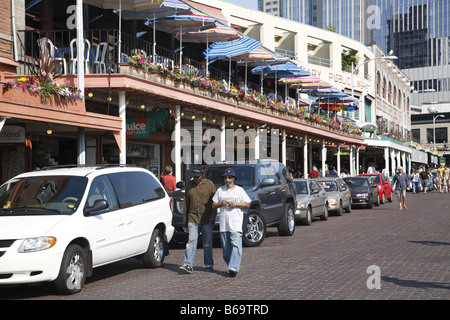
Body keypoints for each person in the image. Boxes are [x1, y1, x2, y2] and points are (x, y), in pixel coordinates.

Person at [212, 168, 250, 277]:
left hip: (236, 223)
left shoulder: (240, 190)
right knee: (226, 250)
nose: (227, 180)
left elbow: (247, 204)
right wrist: (221, 203)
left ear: (234, 179)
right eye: (225, 178)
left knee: (236, 245)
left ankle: (234, 267)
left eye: (229, 177)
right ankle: (231, 266)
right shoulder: (220, 190)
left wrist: (236, 204)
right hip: (224, 224)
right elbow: (213, 205)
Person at [179, 165, 217, 274]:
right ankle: (188, 264)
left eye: (197, 176)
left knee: (207, 243)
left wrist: (213, 216)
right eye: (194, 176)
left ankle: (209, 264)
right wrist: (185, 218)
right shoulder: (189, 185)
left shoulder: (209, 184)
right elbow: (186, 202)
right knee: (191, 241)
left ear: (203, 175)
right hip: (193, 217)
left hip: (206, 219)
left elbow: (214, 202)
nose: (195, 178)